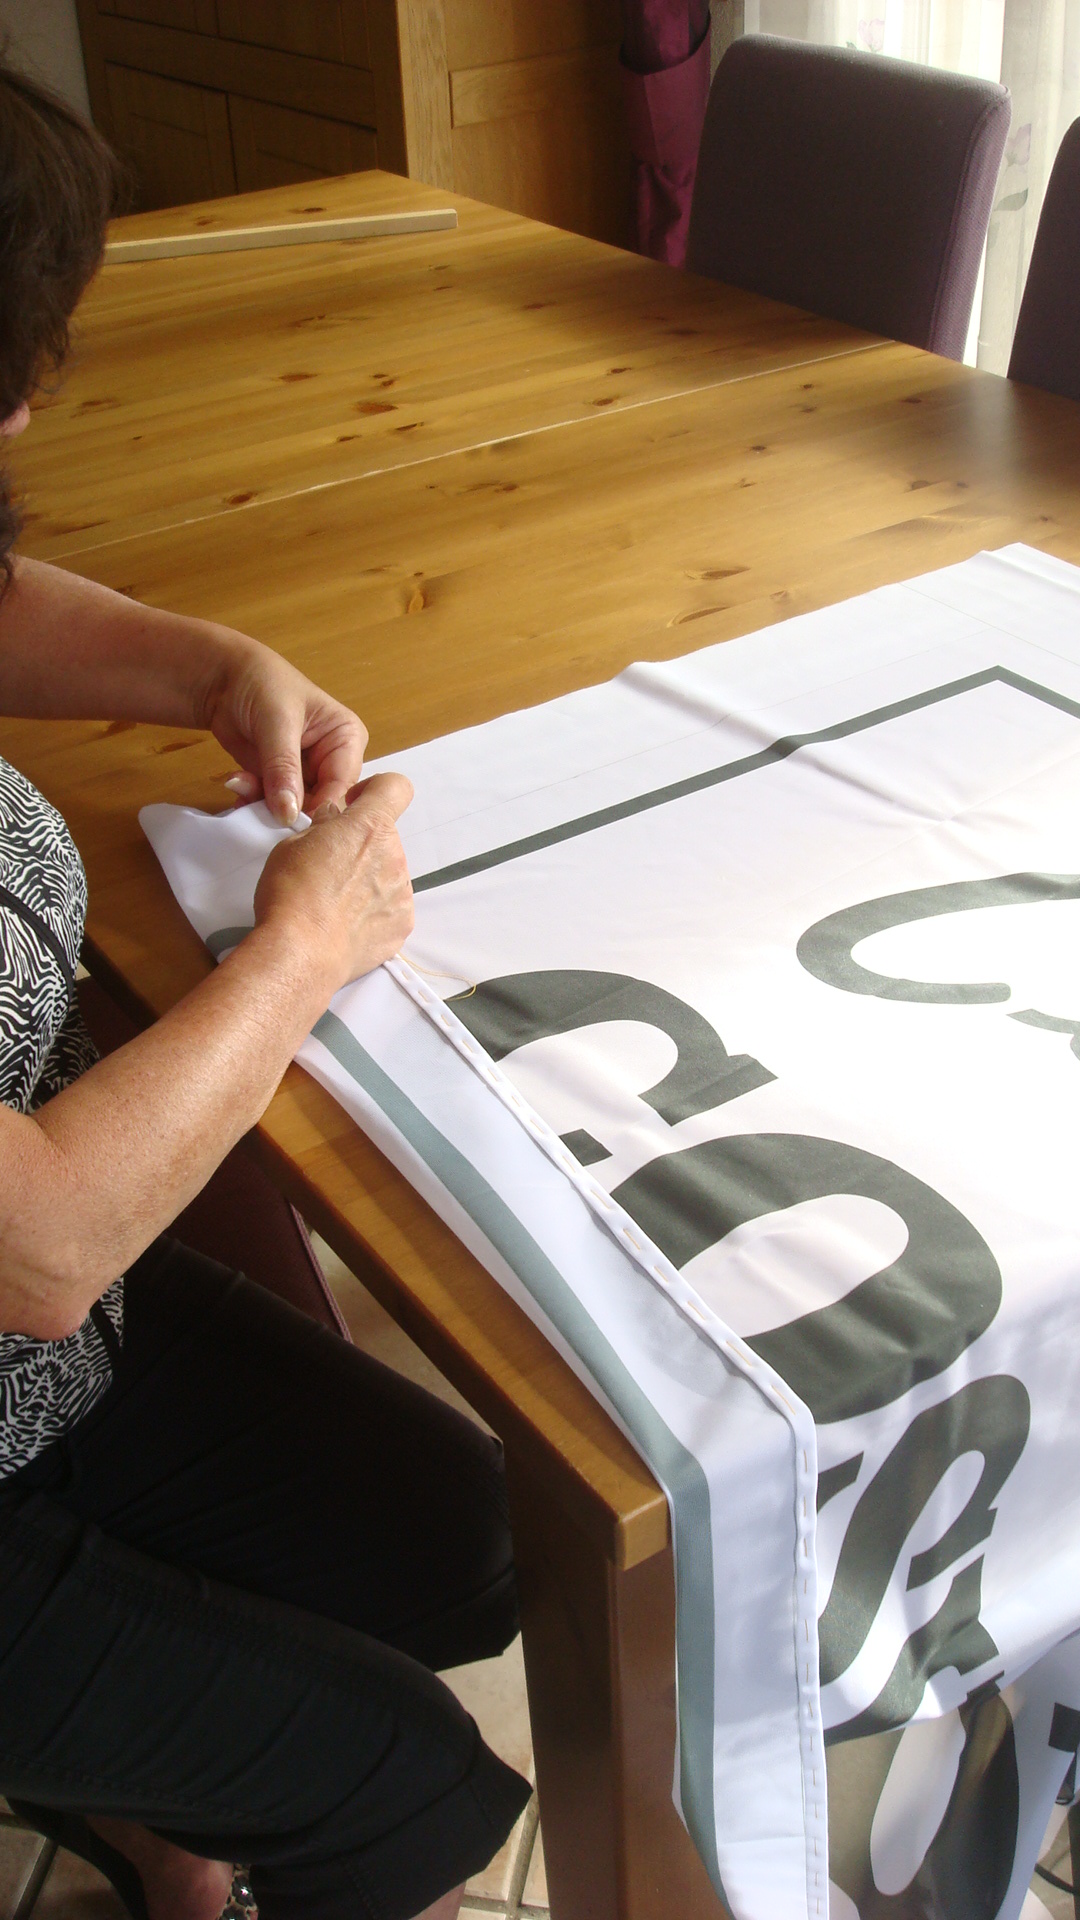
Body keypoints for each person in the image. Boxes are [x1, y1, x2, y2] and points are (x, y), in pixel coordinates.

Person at [0, 58, 530, 1920]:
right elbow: (42, 1246)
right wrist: (306, 946)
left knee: (472, 1542)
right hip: (27, 1301)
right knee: (406, 1803)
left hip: (41, 1357)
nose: (28, 403)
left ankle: (157, 1807)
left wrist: (206, 666)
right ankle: (176, 1815)